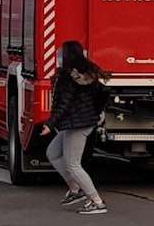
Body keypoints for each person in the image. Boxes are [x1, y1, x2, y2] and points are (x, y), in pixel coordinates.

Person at [41, 41, 111, 215]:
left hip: (76, 125)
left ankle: (97, 202)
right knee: (53, 153)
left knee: (73, 164)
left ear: (66, 55)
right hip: (82, 121)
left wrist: (50, 124)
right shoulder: (87, 73)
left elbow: (63, 104)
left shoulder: (68, 77)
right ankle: (75, 189)